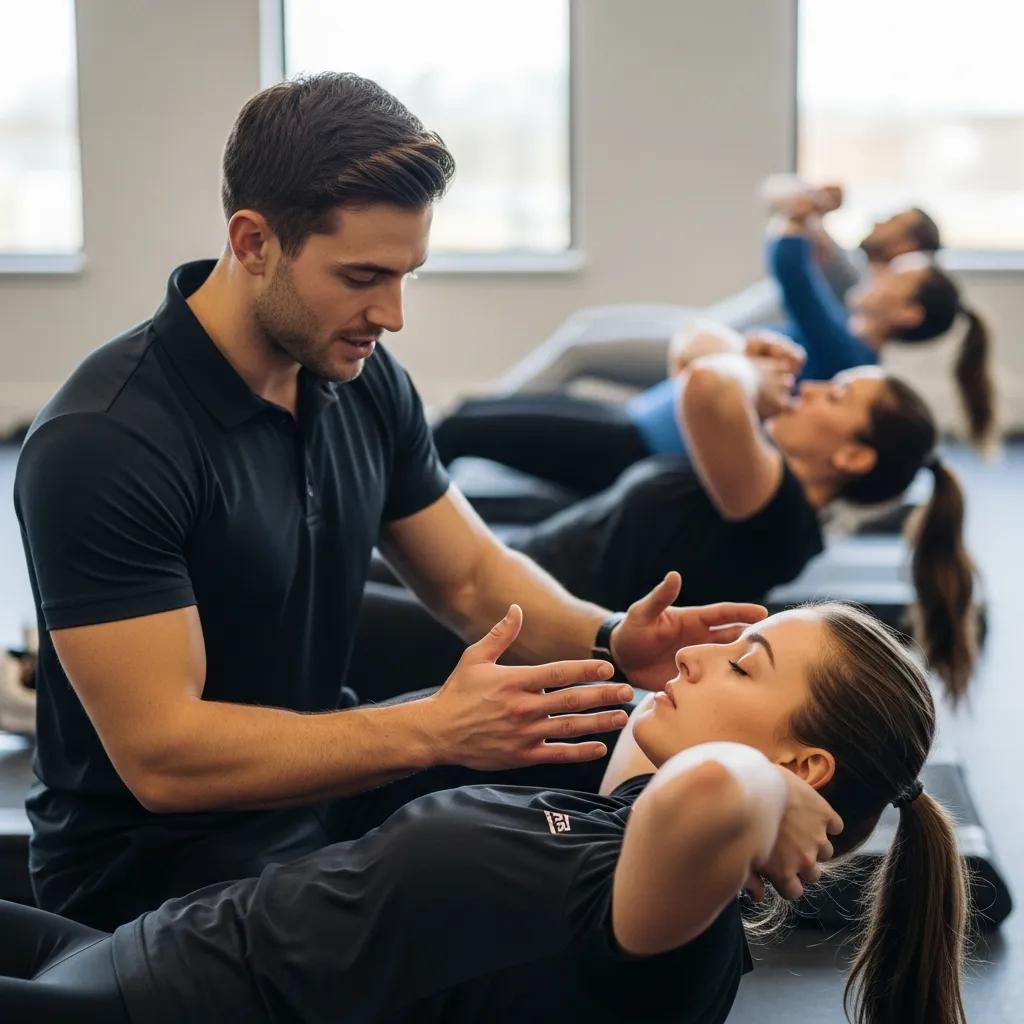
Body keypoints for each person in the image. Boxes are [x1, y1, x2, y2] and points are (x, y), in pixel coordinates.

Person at [13, 72, 767, 931]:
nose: (393, 314)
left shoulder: (361, 381)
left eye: (407, 274)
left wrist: (609, 639)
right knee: (497, 902)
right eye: (363, 276)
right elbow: (165, 758)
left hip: (328, 793)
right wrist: (433, 729)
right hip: (158, 870)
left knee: (609, 751)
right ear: (254, 242)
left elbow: (471, 577)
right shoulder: (105, 440)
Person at [0, 604, 970, 1024]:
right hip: (129, 949)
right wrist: (618, 641)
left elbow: (713, 792)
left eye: (743, 664)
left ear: (799, 769)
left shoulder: (673, 933)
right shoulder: (623, 814)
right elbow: (669, 746)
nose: (697, 658)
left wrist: (763, 789)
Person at [372, 345, 978, 705]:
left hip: (521, 634)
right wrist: (749, 354)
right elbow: (693, 353)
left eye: (837, 396)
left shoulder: (779, 517)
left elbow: (708, 383)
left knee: (334, 601)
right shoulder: (755, 481)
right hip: (511, 578)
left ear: (852, 456)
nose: (813, 388)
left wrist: (747, 371)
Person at [434, 209, 995, 496]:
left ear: (908, 314)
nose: (880, 276)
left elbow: (790, 265)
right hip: (632, 421)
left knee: (460, 429)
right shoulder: (846, 347)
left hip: (638, 449)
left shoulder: (845, 351)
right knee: (467, 416)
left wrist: (796, 215)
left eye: (897, 278)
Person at [491, 179, 943, 395]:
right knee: (586, 327)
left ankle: (473, 418)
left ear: (908, 247)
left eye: (893, 222)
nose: (880, 221)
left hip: (721, 346)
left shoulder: (853, 286)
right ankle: (485, 416)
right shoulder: (852, 273)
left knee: (579, 350)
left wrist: (804, 212)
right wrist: (807, 199)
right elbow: (776, 198)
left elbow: (788, 253)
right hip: (705, 325)